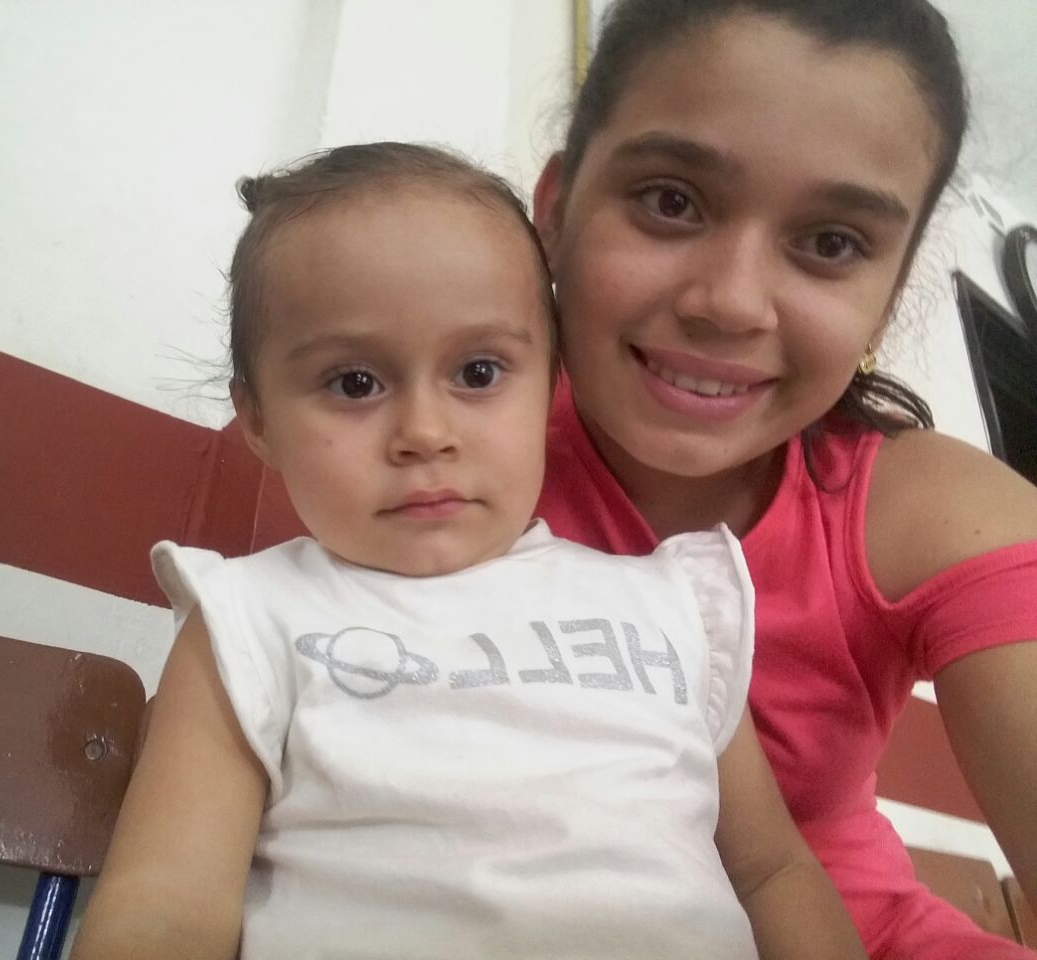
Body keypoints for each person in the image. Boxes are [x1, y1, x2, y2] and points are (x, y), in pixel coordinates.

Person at [70, 143, 867, 959]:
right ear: (260, 420)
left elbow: (772, 872)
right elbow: (168, 903)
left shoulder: (672, 607)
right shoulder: (249, 622)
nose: (425, 433)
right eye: (354, 383)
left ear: (549, 384)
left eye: (479, 372)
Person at [529, 1, 1037, 957]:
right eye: (671, 199)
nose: (729, 302)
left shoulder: (926, 514)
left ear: (888, 293)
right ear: (555, 209)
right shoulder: (415, 445)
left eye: (832, 243)